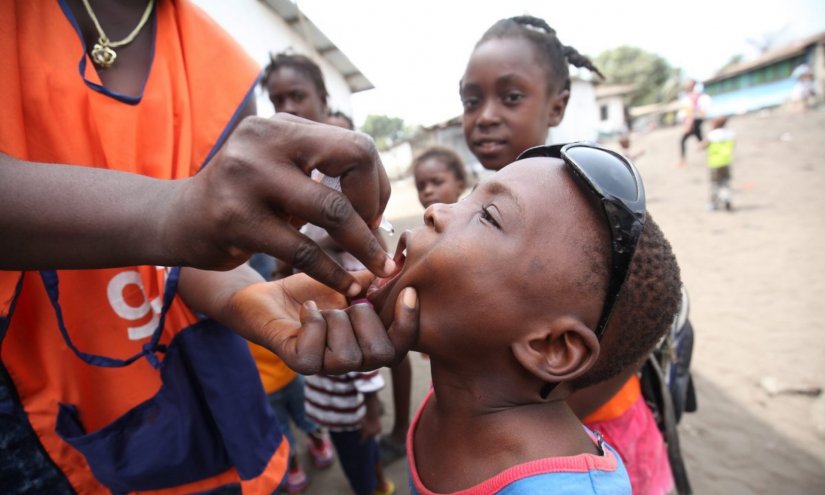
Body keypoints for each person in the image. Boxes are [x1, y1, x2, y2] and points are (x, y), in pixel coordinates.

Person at [0, 2, 418, 493]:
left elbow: (201, 248)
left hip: (202, 391)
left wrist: (242, 294)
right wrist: (172, 210)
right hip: (33, 419)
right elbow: (187, 221)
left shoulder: (226, 69)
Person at [365, 143, 682, 493]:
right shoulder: (454, 384)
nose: (434, 210)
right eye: (469, 198)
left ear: (552, 347)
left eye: (488, 216)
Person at [459, 16, 677, 494]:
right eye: (471, 101)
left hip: (590, 433)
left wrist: (513, 424)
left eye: (510, 97)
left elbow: (635, 336)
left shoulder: (598, 208)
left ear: (557, 105)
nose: (485, 115)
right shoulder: (471, 204)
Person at [304, 367, 395, 495]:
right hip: (342, 419)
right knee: (369, 453)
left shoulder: (347, 356)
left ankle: (367, 490)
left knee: (357, 468)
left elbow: (370, 381)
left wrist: (372, 419)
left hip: (348, 424)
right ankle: (381, 486)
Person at [699, 115, 735, 211]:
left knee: (715, 184)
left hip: (715, 163)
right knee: (725, 182)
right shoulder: (730, 133)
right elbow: (733, 144)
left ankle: (713, 204)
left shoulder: (712, 135)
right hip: (726, 161)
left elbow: (702, 146)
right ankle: (726, 198)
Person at [677, 79, 711, 168]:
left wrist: (689, 124)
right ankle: (712, 152)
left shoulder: (693, 96)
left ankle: (682, 161)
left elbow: (691, 111)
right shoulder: (694, 95)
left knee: (683, 140)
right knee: (700, 139)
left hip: (694, 121)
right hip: (696, 120)